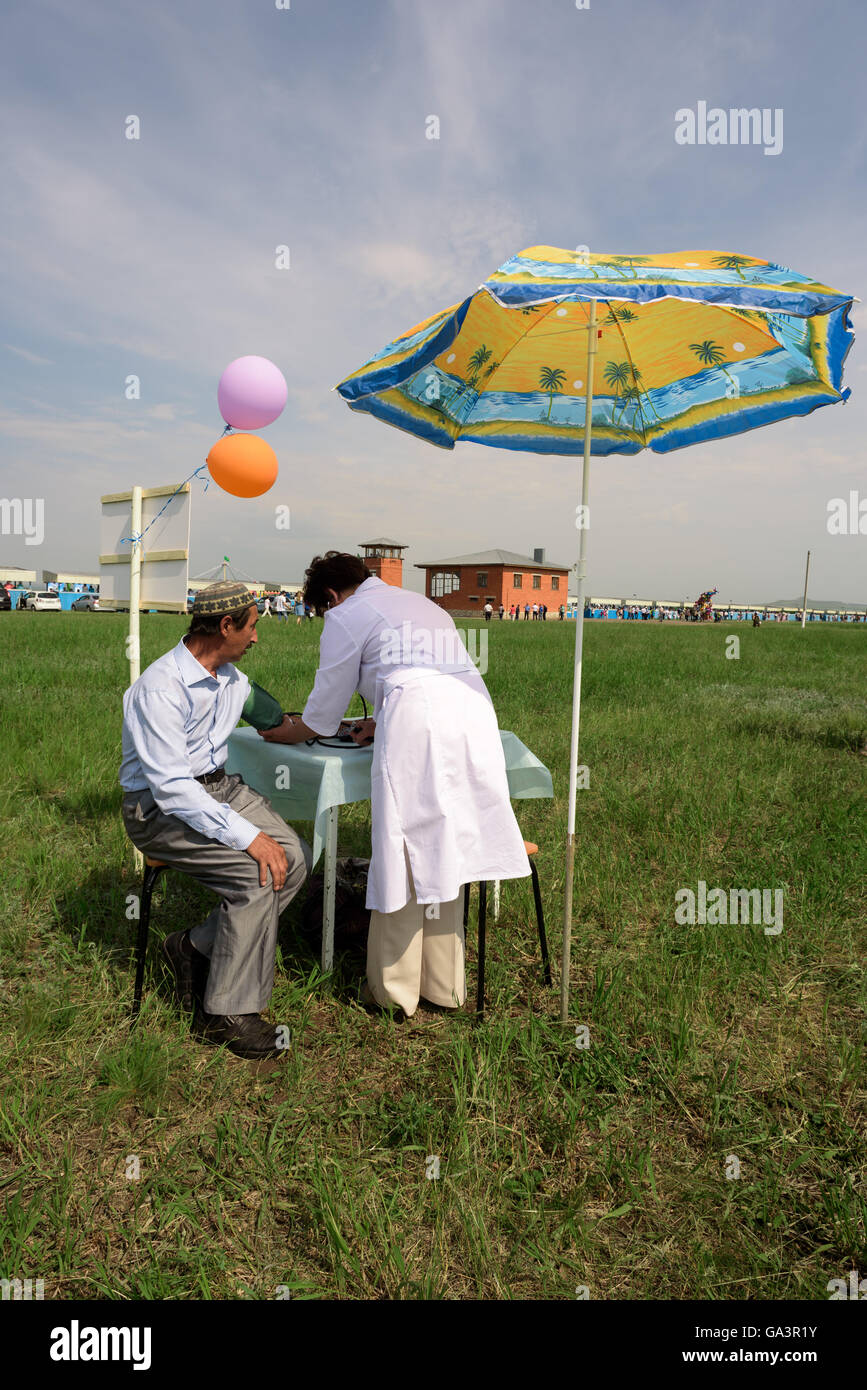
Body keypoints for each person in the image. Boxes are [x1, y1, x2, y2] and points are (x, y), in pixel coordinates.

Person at [261, 552, 531, 1019]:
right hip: (471, 714)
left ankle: (394, 992)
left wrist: (278, 730)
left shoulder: (346, 615)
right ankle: (444, 985)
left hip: (418, 720)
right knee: (449, 846)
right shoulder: (420, 604)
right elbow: (417, 672)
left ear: (329, 596)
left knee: (404, 847)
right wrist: (378, 720)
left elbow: (322, 715)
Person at [119, 581, 311, 1060]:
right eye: (252, 627)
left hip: (218, 788)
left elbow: (275, 722)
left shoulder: (232, 678)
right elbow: (173, 789)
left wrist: (337, 726)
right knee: (258, 873)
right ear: (225, 626)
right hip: (157, 809)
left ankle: (194, 948)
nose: (256, 638)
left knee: (294, 859)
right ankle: (226, 1014)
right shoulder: (160, 688)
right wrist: (250, 838)